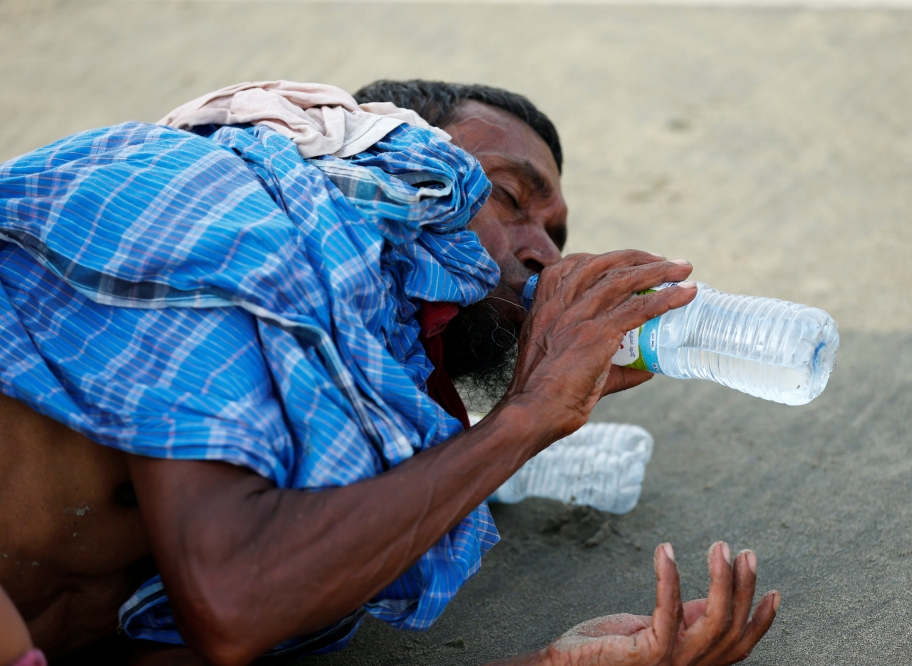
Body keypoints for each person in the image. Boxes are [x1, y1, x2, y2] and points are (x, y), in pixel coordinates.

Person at [0, 80, 779, 666]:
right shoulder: (231, 214)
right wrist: (530, 414)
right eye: (510, 196)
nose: (545, 251)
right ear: (403, 166)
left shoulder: (352, 467)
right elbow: (234, 602)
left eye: (556, 232)